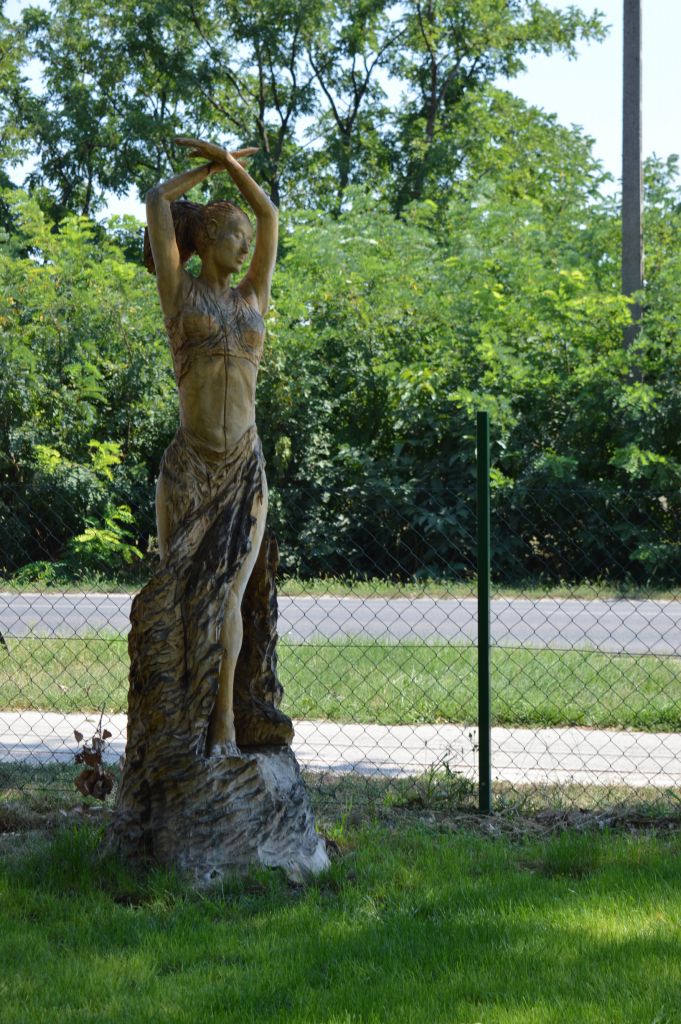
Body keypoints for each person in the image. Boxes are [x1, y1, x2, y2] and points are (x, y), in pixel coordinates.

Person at [133, 137, 292, 759]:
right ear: (204, 239)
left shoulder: (253, 298)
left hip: (242, 468)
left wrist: (231, 167)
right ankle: (176, 723)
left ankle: (224, 722)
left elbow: (270, 216)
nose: (246, 245)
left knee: (229, 595)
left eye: (247, 240)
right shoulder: (180, 294)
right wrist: (205, 170)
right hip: (191, 466)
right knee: (178, 596)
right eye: (234, 235)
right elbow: (156, 200)